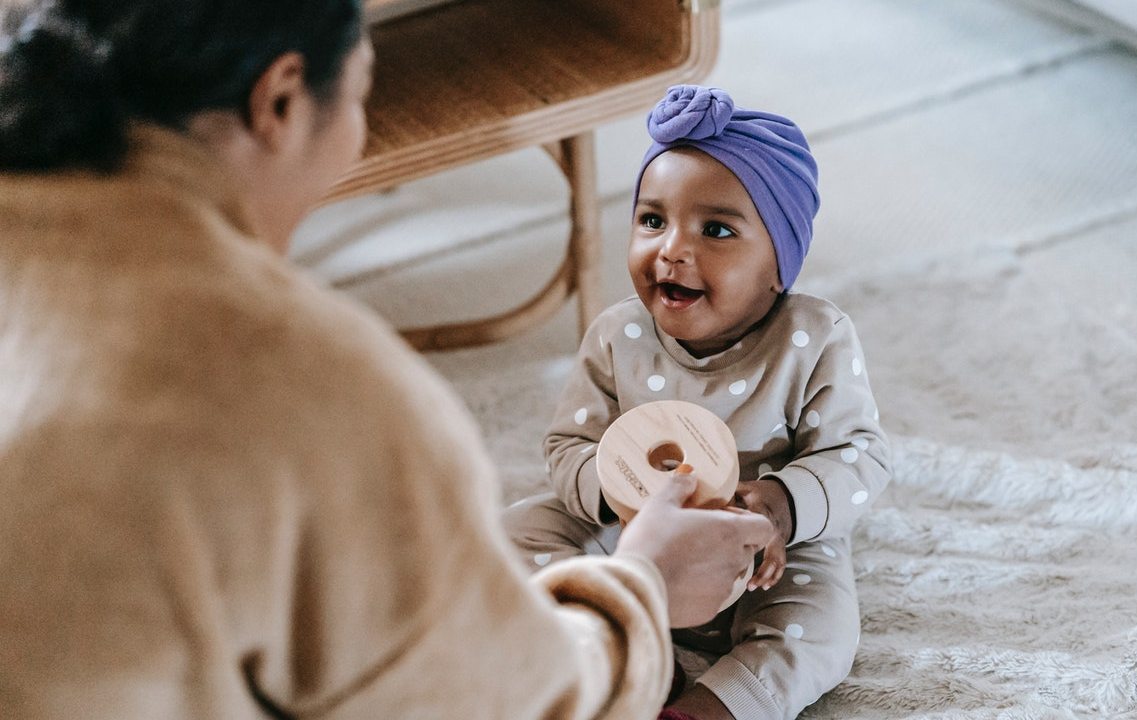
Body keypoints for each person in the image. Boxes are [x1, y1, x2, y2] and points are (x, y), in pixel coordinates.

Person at [0, 4, 773, 718]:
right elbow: (507, 704)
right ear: (281, 100)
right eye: (363, 93)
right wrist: (643, 586)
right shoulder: (314, 385)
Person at [504, 85, 893, 720]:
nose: (672, 250)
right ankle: (629, 658)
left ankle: (705, 707)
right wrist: (619, 497)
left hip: (765, 552)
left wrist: (783, 506)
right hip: (630, 537)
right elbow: (568, 444)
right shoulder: (618, 335)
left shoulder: (814, 338)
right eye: (652, 221)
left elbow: (860, 455)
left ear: (780, 265)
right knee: (516, 534)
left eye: (715, 230)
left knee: (822, 626)